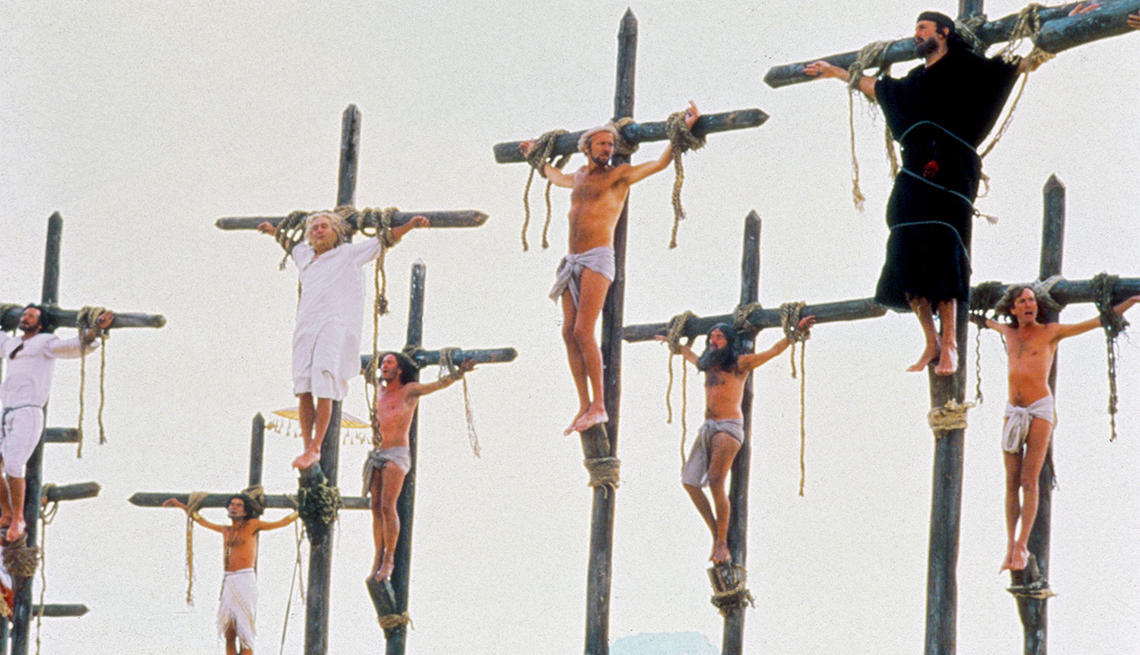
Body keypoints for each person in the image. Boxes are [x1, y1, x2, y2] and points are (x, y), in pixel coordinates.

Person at [806, 12, 1038, 376]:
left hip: (952, 164)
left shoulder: (966, 66)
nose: (916, 36)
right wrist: (835, 72)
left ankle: (950, 345)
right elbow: (880, 89)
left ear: (943, 33)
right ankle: (930, 339)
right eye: (915, 30)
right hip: (914, 165)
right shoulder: (914, 81)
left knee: (942, 242)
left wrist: (1048, 47)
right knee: (903, 237)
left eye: (922, 29)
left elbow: (1010, 68)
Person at [520, 103, 700, 435]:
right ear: (586, 148)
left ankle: (599, 405)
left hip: (598, 258)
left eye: (611, 145)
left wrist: (681, 130)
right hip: (572, 260)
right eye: (602, 144)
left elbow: (660, 164)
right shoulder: (578, 176)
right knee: (567, 333)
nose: (608, 149)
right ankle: (583, 404)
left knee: (583, 331)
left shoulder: (619, 176)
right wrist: (536, 157)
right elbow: (554, 175)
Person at [977, 287, 1139, 571]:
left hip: (1040, 408)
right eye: (1022, 301)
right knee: (1010, 480)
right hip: (1013, 410)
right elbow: (983, 321)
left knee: (1029, 480)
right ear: (1013, 309)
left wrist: (1128, 303)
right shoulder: (1009, 332)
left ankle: (1022, 544)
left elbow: (1093, 323)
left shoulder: (1050, 331)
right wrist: (975, 315)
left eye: (1031, 300)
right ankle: (1009, 546)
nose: (1029, 304)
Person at [258, 211, 429, 470]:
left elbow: (384, 240)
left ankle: (316, 446)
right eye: (314, 228)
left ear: (336, 231)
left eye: (324, 226)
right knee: (303, 386)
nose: (318, 231)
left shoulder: (347, 254)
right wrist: (273, 231)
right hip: (306, 326)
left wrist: (409, 226)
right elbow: (290, 245)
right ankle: (307, 447)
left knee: (324, 380)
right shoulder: (305, 256)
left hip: (333, 325)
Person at [656, 316, 816, 563]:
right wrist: (673, 343)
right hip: (708, 427)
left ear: (729, 342)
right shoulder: (708, 365)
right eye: (711, 337)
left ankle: (721, 543)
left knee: (715, 481)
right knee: (689, 482)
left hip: (728, 428)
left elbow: (772, 352)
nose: (713, 341)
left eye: (718, 337)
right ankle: (716, 533)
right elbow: (688, 355)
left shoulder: (740, 364)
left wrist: (795, 333)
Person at [0, 304, 113, 543]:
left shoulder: (46, 343)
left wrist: (95, 330)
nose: (25, 318)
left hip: (28, 411)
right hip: (7, 410)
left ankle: (19, 517)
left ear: (40, 324)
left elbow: (73, 346)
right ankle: (7, 511)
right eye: (24, 315)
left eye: (31, 316)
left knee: (13, 464)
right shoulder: (10, 343)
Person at [365, 351, 473, 582]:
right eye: (383, 362)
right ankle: (377, 555)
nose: (385, 365)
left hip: (396, 453)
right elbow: (365, 374)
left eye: (389, 362)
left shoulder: (408, 391)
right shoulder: (380, 391)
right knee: (375, 507)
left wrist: (459, 373)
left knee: (387, 505)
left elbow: (437, 385)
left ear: (399, 369)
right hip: (378, 452)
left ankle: (388, 558)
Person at [164, 489, 298, 655]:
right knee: (229, 630)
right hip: (228, 579)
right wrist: (182, 506)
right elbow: (201, 520)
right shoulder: (226, 530)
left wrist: (300, 511)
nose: (234, 508)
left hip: (244, 579)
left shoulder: (252, 525)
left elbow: (281, 522)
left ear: (246, 510)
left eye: (239, 505)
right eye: (232, 505)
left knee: (245, 631)